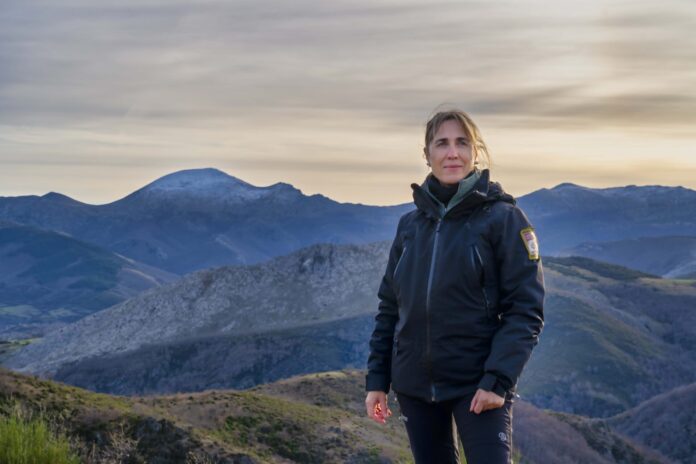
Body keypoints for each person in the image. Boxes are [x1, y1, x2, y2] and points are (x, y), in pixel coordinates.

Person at [364, 109, 545, 464]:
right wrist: (377, 380)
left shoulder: (504, 219)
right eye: (442, 143)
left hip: (478, 385)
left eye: (462, 143)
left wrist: (498, 380)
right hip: (414, 387)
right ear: (427, 154)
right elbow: (390, 308)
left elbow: (526, 309)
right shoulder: (410, 226)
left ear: (475, 151)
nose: (452, 153)